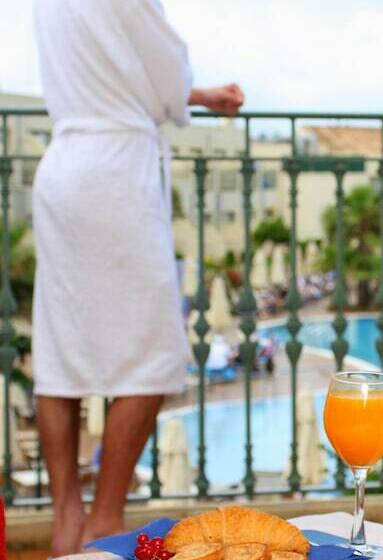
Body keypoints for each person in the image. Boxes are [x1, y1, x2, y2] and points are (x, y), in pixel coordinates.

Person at [32, 0, 244, 555]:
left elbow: (118, 75)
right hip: (115, 176)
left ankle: (65, 522)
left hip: (64, 166)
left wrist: (198, 97)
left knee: (59, 356)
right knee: (156, 355)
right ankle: (104, 522)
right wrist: (192, 93)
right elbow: (165, 74)